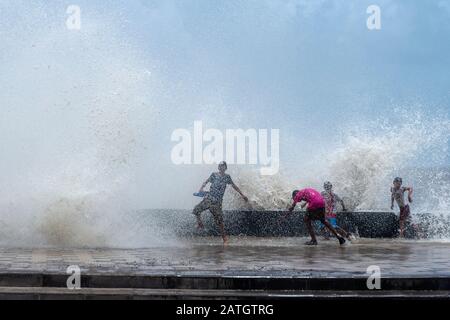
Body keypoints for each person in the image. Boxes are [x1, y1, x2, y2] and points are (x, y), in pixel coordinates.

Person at [193, 161, 248, 245]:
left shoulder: (227, 177)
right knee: (196, 210)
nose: (221, 167)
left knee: (219, 221)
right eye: (220, 166)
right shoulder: (214, 175)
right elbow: (206, 182)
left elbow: (234, 186)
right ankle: (200, 224)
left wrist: (242, 195)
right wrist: (201, 189)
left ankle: (225, 239)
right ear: (218, 167)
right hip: (209, 198)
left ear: (225, 168)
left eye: (223, 166)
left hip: (217, 202)